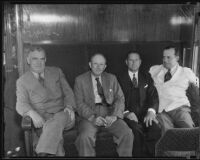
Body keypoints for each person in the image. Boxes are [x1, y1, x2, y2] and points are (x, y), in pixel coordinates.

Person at [16, 46, 76, 157]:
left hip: (63, 115)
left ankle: (41, 152)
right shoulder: (22, 81)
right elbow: (21, 103)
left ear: (45, 60)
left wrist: (70, 106)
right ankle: (47, 152)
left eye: (42, 59)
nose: (39, 63)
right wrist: (31, 113)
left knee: (57, 119)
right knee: (54, 137)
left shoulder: (56, 72)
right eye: (35, 59)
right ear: (28, 60)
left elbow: (69, 92)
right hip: (42, 121)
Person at [74, 53, 133, 157]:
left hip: (109, 114)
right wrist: (93, 117)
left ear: (105, 66)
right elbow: (79, 103)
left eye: (101, 64)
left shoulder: (111, 78)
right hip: (89, 116)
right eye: (95, 64)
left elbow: (120, 98)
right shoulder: (80, 80)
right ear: (90, 64)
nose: (98, 67)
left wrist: (114, 115)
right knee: (85, 137)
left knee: (127, 133)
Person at [118, 52, 161, 157]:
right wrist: (126, 113)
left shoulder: (146, 76)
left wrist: (151, 112)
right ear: (126, 62)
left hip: (144, 114)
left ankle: (150, 156)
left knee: (155, 128)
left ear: (140, 62)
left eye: (136, 60)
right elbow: (116, 99)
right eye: (131, 60)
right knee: (136, 130)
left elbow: (153, 96)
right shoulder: (118, 78)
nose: (134, 63)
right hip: (128, 115)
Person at [149, 45, 198, 134]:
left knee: (189, 131)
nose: (165, 60)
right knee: (167, 134)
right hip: (162, 110)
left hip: (180, 108)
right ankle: (169, 148)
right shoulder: (155, 70)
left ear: (177, 58)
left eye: (169, 57)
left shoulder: (186, 72)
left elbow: (197, 87)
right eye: (164, 57)